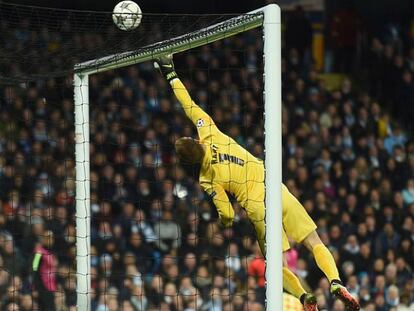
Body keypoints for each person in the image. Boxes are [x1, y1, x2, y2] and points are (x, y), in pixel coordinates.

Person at [154, 54, 360, 311]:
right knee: (314, 242)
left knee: (274, 266)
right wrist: (170, 74)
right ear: (196, 141)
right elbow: (188, 104)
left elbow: (228, 215)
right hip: (275, 188)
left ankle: (304, 297)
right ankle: (335, 281)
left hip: (257, 209)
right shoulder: (209, 131)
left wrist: (224, 218)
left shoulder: (207, 179)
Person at [32, 230, 57, 311]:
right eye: (47, 238)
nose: (50, 240)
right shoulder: (38, 252)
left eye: (51, 238)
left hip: (51, 287)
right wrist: (36, 287)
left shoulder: (52, 252)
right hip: (42, 287)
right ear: (43, 239)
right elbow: (34, 268)